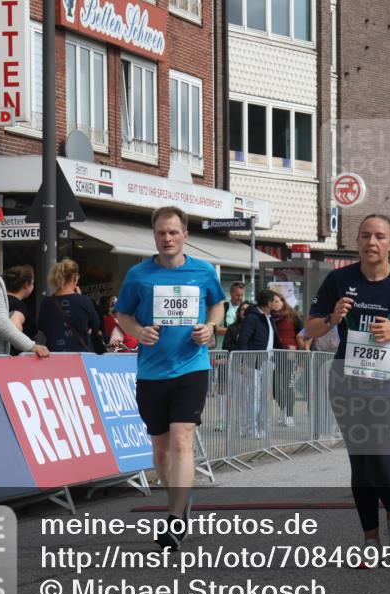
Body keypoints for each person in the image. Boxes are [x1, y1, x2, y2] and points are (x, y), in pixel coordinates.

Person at [306, 214, 390, 565]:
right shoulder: (339, 279)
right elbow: (311, 327)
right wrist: (333, 317)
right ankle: (369, 539)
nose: (371, 242)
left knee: (379, 456)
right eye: (365, 236)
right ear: (358, 242)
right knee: (360, 462)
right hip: (347, 379)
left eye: (380, 236)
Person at [114, 206, 225, 551]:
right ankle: (177, 499)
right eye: (161, 233)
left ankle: (176, 518)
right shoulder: (138, 274)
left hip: (192, 367)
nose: (167, 238)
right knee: (161, 450)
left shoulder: (203, 271)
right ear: (155, 236)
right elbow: (123, 314)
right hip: (152, 371)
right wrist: (138, 331)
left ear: (185, 235)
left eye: (173, 232)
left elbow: (217, 306)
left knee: (181, 440)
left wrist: (209, 329)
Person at [237, 289, 283, 437]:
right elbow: (243, 340)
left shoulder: (269, 318)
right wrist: (243, 362)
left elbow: (274, 339)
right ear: (268, 302)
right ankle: (251, 429)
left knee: (263, 398)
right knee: (253, 398)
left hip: (267, 362)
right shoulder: (252, 318)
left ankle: (261, 427)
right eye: (274, 301)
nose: (276, 304)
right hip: (253, 363)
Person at [37, 259, 102, 353]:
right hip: (80, 355)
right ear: (75, 276)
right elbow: (96, 325)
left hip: (54, 354)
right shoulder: (84, 300)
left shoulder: (46, 303)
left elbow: (41, 326)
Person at [271, 292, 303, 428]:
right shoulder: (269, 317)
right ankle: (284, 410)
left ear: (283, 301)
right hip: (275, 356)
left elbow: (302, 334)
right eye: (272, 301)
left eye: (277, 301)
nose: (275, 303)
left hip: (290, 356)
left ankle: (289, 415)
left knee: (288, 386)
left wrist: (301, 355)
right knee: (275, 388)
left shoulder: (292, 316)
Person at [215, 281, 246, 349]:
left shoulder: (246, 308)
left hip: (240, 350)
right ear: (231, 293)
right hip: (222, 349)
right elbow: (215, 329)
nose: (240, 298)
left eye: (241, 295)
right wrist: (234, 332)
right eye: (237, 295)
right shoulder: (222, 308)